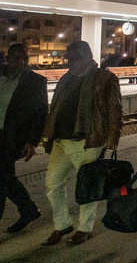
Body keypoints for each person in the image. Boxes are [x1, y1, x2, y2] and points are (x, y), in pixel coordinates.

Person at [42, 41, 121, 246]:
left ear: (87, 55)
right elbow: (56, 107)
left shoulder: (104, 78)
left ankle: (84, 228)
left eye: (74, 58)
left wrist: (112, 139)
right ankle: (62, 224)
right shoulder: (66, 78)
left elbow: (114, 109)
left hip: (87, 140)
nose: (70, 62)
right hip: (60, 140)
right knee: (52, 184)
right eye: (69, 58)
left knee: (88, 187)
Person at [0, 44, 48, 233]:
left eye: (23, 59)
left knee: (2, 179)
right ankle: (28, 209)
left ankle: (28, 210)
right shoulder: (1, 76)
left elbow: (41, 114)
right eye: (14, 58)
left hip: (12, 137)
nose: (18, 62)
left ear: (27, 60)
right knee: (6, 178)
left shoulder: (35, 82)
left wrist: (32, 141)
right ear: (7, 58)